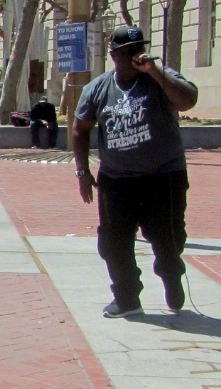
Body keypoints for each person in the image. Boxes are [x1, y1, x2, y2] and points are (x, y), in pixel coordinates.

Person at [73, 25, 198, 318]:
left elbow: (187, 100)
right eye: (127, 52)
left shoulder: (159, 79)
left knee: (167, 238)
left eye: (139, 49)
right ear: (113, 55)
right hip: (116, 180)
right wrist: (83, 172)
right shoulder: (98, 88)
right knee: (112, 243)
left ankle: (170, 272)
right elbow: (80, 129)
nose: (134, 56)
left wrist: (155, 71)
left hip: (163, 175)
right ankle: (127, 297)